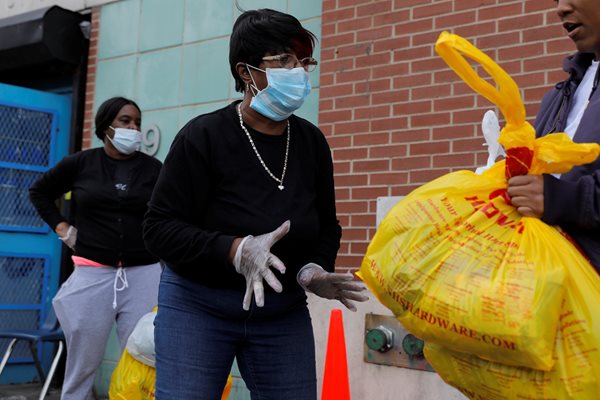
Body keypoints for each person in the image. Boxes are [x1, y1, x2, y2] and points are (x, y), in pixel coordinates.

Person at [143, 8, 368, 400]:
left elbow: (326, 224)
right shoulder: (203, 136)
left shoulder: (312, 143)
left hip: (281, 313)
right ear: (246, 73)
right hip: (198, 306)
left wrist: (314, 270)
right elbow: (159, 228)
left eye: (303, 61)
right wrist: (236, 249)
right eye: (283, 60)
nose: (297, 71)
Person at [29, 97, 162, 400]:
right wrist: (62, 228)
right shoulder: (80, 163)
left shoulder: (154, 169)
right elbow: (39, 191)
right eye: (125, 121)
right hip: (92, 273)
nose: (133, 128)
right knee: (82, 361)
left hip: (144, 273)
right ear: (106, 126)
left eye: (137, 123)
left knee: (145, 355)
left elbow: (170, 211)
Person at [507, 0, 600, 272]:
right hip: (553, 281)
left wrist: (560, 198)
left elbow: (553, 194)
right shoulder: (559, 94)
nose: (560, 8)